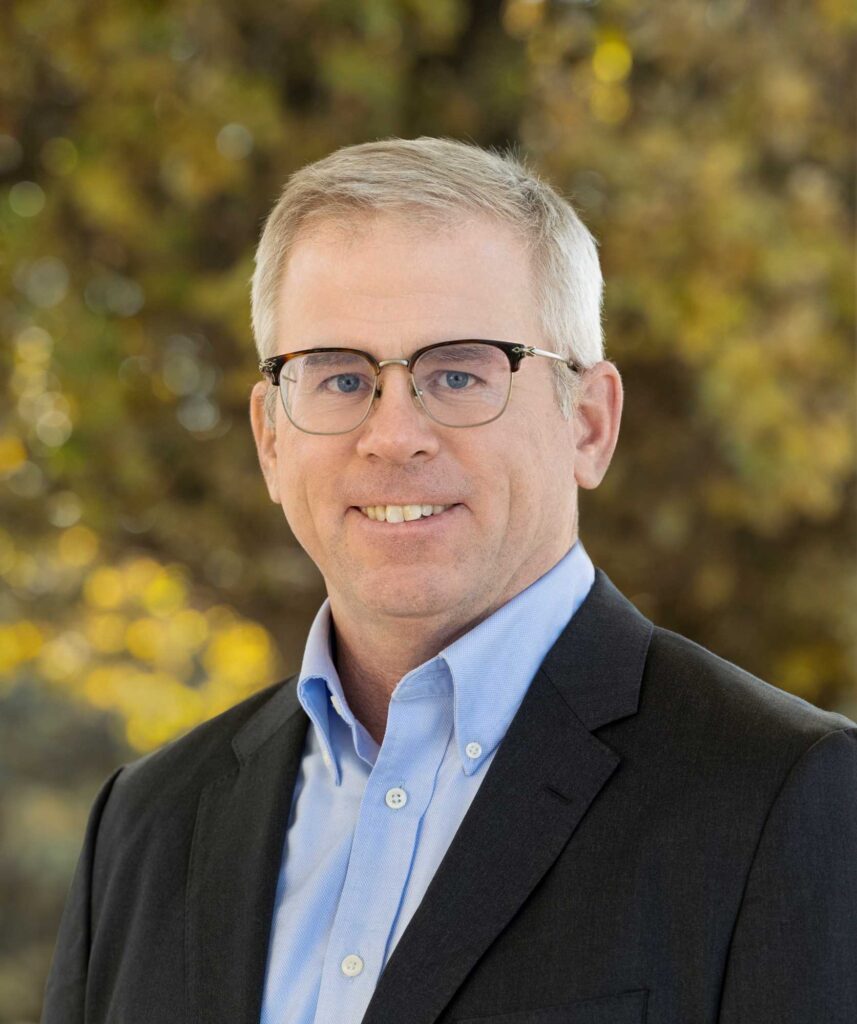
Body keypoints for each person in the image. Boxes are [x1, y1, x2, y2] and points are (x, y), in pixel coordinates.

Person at [42, 137, 857, 1024]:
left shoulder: (785, 796)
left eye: (460, 372)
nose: (394, 436)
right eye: (341, 376)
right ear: (271, 437)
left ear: (587, 423)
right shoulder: (146, 823)